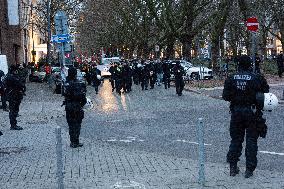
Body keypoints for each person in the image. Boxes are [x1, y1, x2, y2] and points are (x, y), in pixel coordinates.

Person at [222, 55, 269, 178]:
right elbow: (266, 92)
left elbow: (225, 96)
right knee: (251, 140)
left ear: (238, 65)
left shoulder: (231, 78)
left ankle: (233, 167)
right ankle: (249, 170)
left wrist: (236, 97)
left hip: (236, 112)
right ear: (250, 65)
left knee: (236, 139)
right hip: (252, 112)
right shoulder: (257, 78)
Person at [63, 67, 87, 148]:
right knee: (76, 125)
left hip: (68, 106)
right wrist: (82, 103)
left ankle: (73, 141)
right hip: (76, 106)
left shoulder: (66, 82)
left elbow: (64, 94)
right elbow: (82, 96)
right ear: (75, 74)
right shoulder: (76, 84)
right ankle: (75, 142)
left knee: (71, 125)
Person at [5, 65, 26, 130]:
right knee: (13, 110)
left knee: (13, 110)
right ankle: (13, 125)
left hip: (13, 95)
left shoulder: (8, 76)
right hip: (14, 95)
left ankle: (13, 124)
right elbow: (20, 84)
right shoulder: (12, 77)